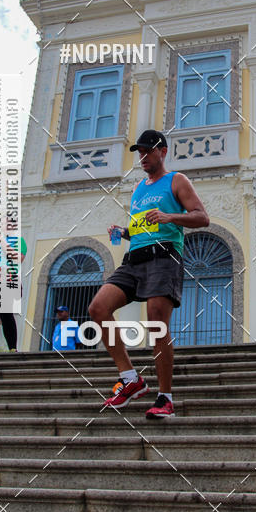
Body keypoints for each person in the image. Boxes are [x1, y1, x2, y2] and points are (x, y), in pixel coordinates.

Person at [89, 129, 210, 419]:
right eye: (139, 152)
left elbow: (202, 217)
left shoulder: (176, 181)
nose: (142, 157)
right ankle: (131, 378)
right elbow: (144, 228)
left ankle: (165, 398)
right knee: (97, 308)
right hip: (134, 260)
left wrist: (171, 216)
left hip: (164, 256)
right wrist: (124, 232)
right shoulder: (139, 189)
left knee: (157, 324)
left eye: (147, 151)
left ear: (162, 152)